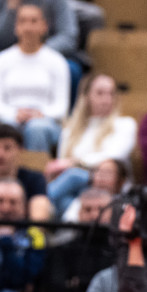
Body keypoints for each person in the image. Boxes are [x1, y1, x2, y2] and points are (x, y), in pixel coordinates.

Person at [45, 74, 137, 216]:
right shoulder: (69, 131)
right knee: (64, 200)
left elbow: (113, 156)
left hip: (110, 188)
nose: (107, 99)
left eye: (111, 94)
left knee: (74, 175)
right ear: (86, 96)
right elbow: (61, 166)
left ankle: (39, 201)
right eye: (100, 93)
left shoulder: (125, 124)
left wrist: (75, 163)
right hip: (75, 194)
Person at [0, 2, 69, 153]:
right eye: (22, 21)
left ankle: (35, 166)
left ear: (44, 26)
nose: (28, 27)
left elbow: (61, 106)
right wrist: (14, 114)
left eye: (34, 21)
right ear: (16, 27)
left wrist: (40, 114)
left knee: (36, 128)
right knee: (8, 128)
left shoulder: (57, 62)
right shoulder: (0, 61)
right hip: (10, 117)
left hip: (45, 121)